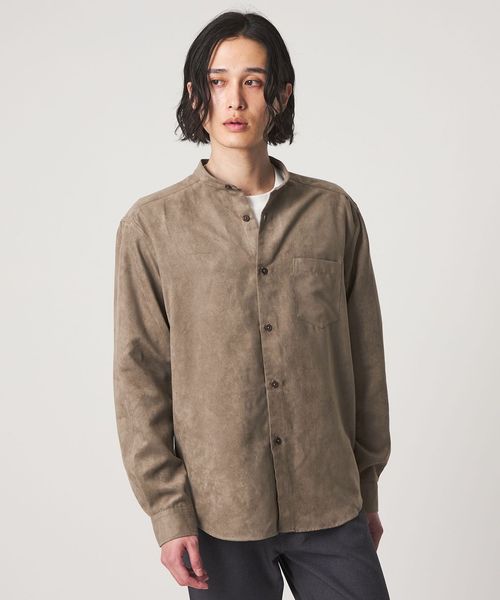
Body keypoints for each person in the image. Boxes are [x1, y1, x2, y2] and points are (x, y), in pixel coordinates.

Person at [113, 10, 391, 600]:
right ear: (196, 96)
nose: (234, 100)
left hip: (330, 500)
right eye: (217, 82)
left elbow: (366, 362)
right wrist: (168, 513)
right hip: (219, 511)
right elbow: (139, 377)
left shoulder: (333, 214)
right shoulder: (153, 226)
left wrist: (366, 489)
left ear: (280, 95)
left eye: (253, 81)